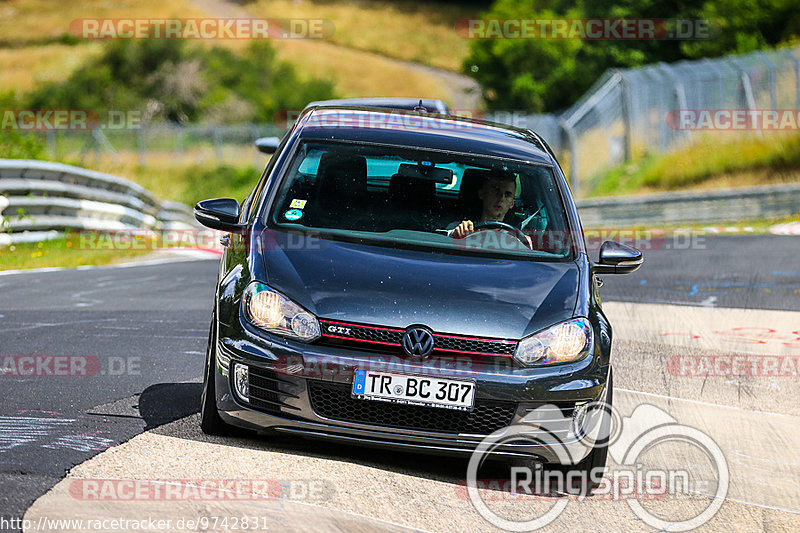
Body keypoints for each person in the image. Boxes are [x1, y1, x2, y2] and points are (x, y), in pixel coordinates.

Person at [451, 170, 517, 239]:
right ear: (481, 194)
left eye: (507, 195)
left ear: (512, 203)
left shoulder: (517, 238)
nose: (501, 198)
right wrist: (456, 236)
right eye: (496, 191)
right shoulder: (460, 228)